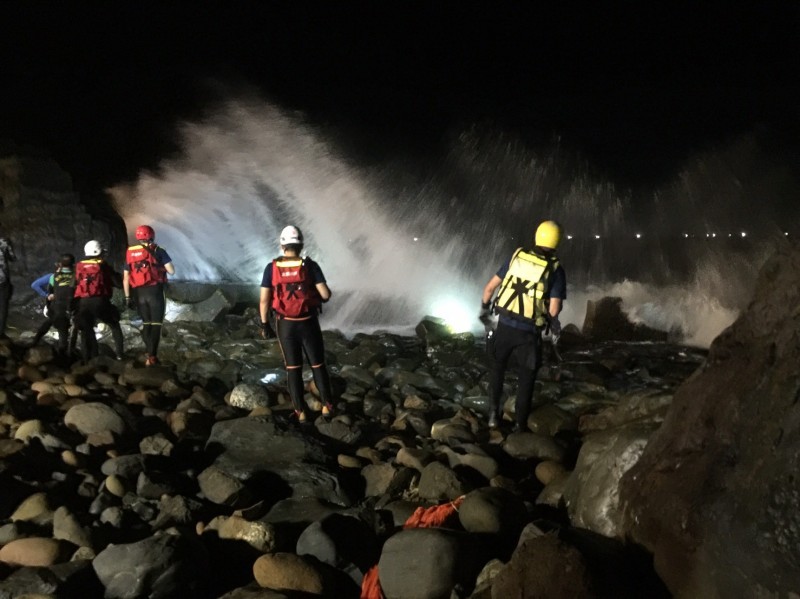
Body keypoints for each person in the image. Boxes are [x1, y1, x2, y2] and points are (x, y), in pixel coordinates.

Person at [480, 220, 567, 432]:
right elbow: (554, 310)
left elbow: (490, 288)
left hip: (504, 328)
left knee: (497, 370)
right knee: (526, 378)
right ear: (557, 241)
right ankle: (519, 425)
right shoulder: (555, 269)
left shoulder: (516, 257)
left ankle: (493, 416)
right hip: (528, 334)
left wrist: (484, 311)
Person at [259, 225, 335, 423]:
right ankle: (327, 407)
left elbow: (264, 300)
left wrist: (264, 323)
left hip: (286, 325)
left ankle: (300, 412)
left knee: (293, 368)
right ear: (301, 245)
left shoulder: (272, 267)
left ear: (282, 245)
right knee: (318, 364)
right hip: (308, 322)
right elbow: (326, 295)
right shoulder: (310, 266)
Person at [122, 225, 175, 366]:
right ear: (152, 235)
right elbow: (171, 271)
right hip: (155, 292)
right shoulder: (158, 250)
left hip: (139, 293)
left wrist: (127, 297)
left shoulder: (130, 252)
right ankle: (152, 357)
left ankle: (148, 353)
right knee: (156, 324)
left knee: (146, 324)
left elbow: (126, 278)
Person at [74, 240, 125, 361]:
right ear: (98, 252)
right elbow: (118, 284)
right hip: (101, 302)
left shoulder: (79, 266)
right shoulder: (103, 266)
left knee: (86, 331)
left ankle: (87, 359)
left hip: (84, 303)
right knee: (114, 325)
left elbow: (73, 286)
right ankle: (120, 355)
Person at [30, 254, 78, 355]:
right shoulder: (77, 277)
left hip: (55, 308)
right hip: (70, 308)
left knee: (50, 321)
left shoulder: (52, 277)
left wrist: (47, 295)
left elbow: (35, 285)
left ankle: (35, 340)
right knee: (63, 329)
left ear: (60, 264)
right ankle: (64, 352)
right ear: (73, 264)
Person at [0, 234, 17, 339]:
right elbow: (12, 258)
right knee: (2, 307)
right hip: (2, 279)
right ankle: (0, 333)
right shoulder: (4, 241)